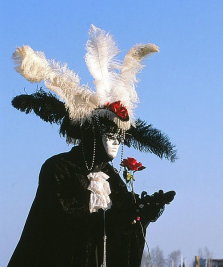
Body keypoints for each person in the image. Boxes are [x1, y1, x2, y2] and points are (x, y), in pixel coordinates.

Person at [8, 25, 177, 267]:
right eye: (111, 134)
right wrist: (118, 217)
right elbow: (64, 219)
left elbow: (124, 229)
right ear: (93, 134)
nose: (117, 141)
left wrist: (142, 216)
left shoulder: (112, 177)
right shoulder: (59, 168)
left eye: (121, 136)